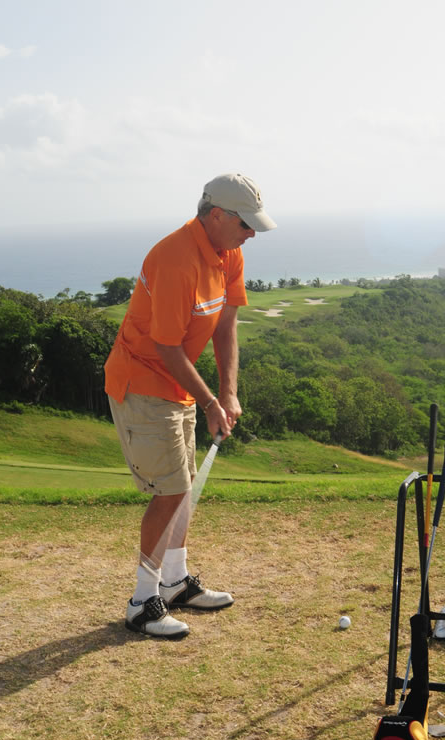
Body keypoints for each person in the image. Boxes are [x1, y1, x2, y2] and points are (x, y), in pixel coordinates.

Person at [105, 173, 276, 639]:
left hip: (178, 384)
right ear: (216, 215)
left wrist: (228, 392)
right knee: (171, 490)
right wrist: (209, 400)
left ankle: (175, 582)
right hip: (143, 381)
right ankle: (142, 603)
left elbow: (225, 326)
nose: (252, 233)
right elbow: (165, 346)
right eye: (245, 223)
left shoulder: (228, 252)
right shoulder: (175, 259)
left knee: (182, 486)